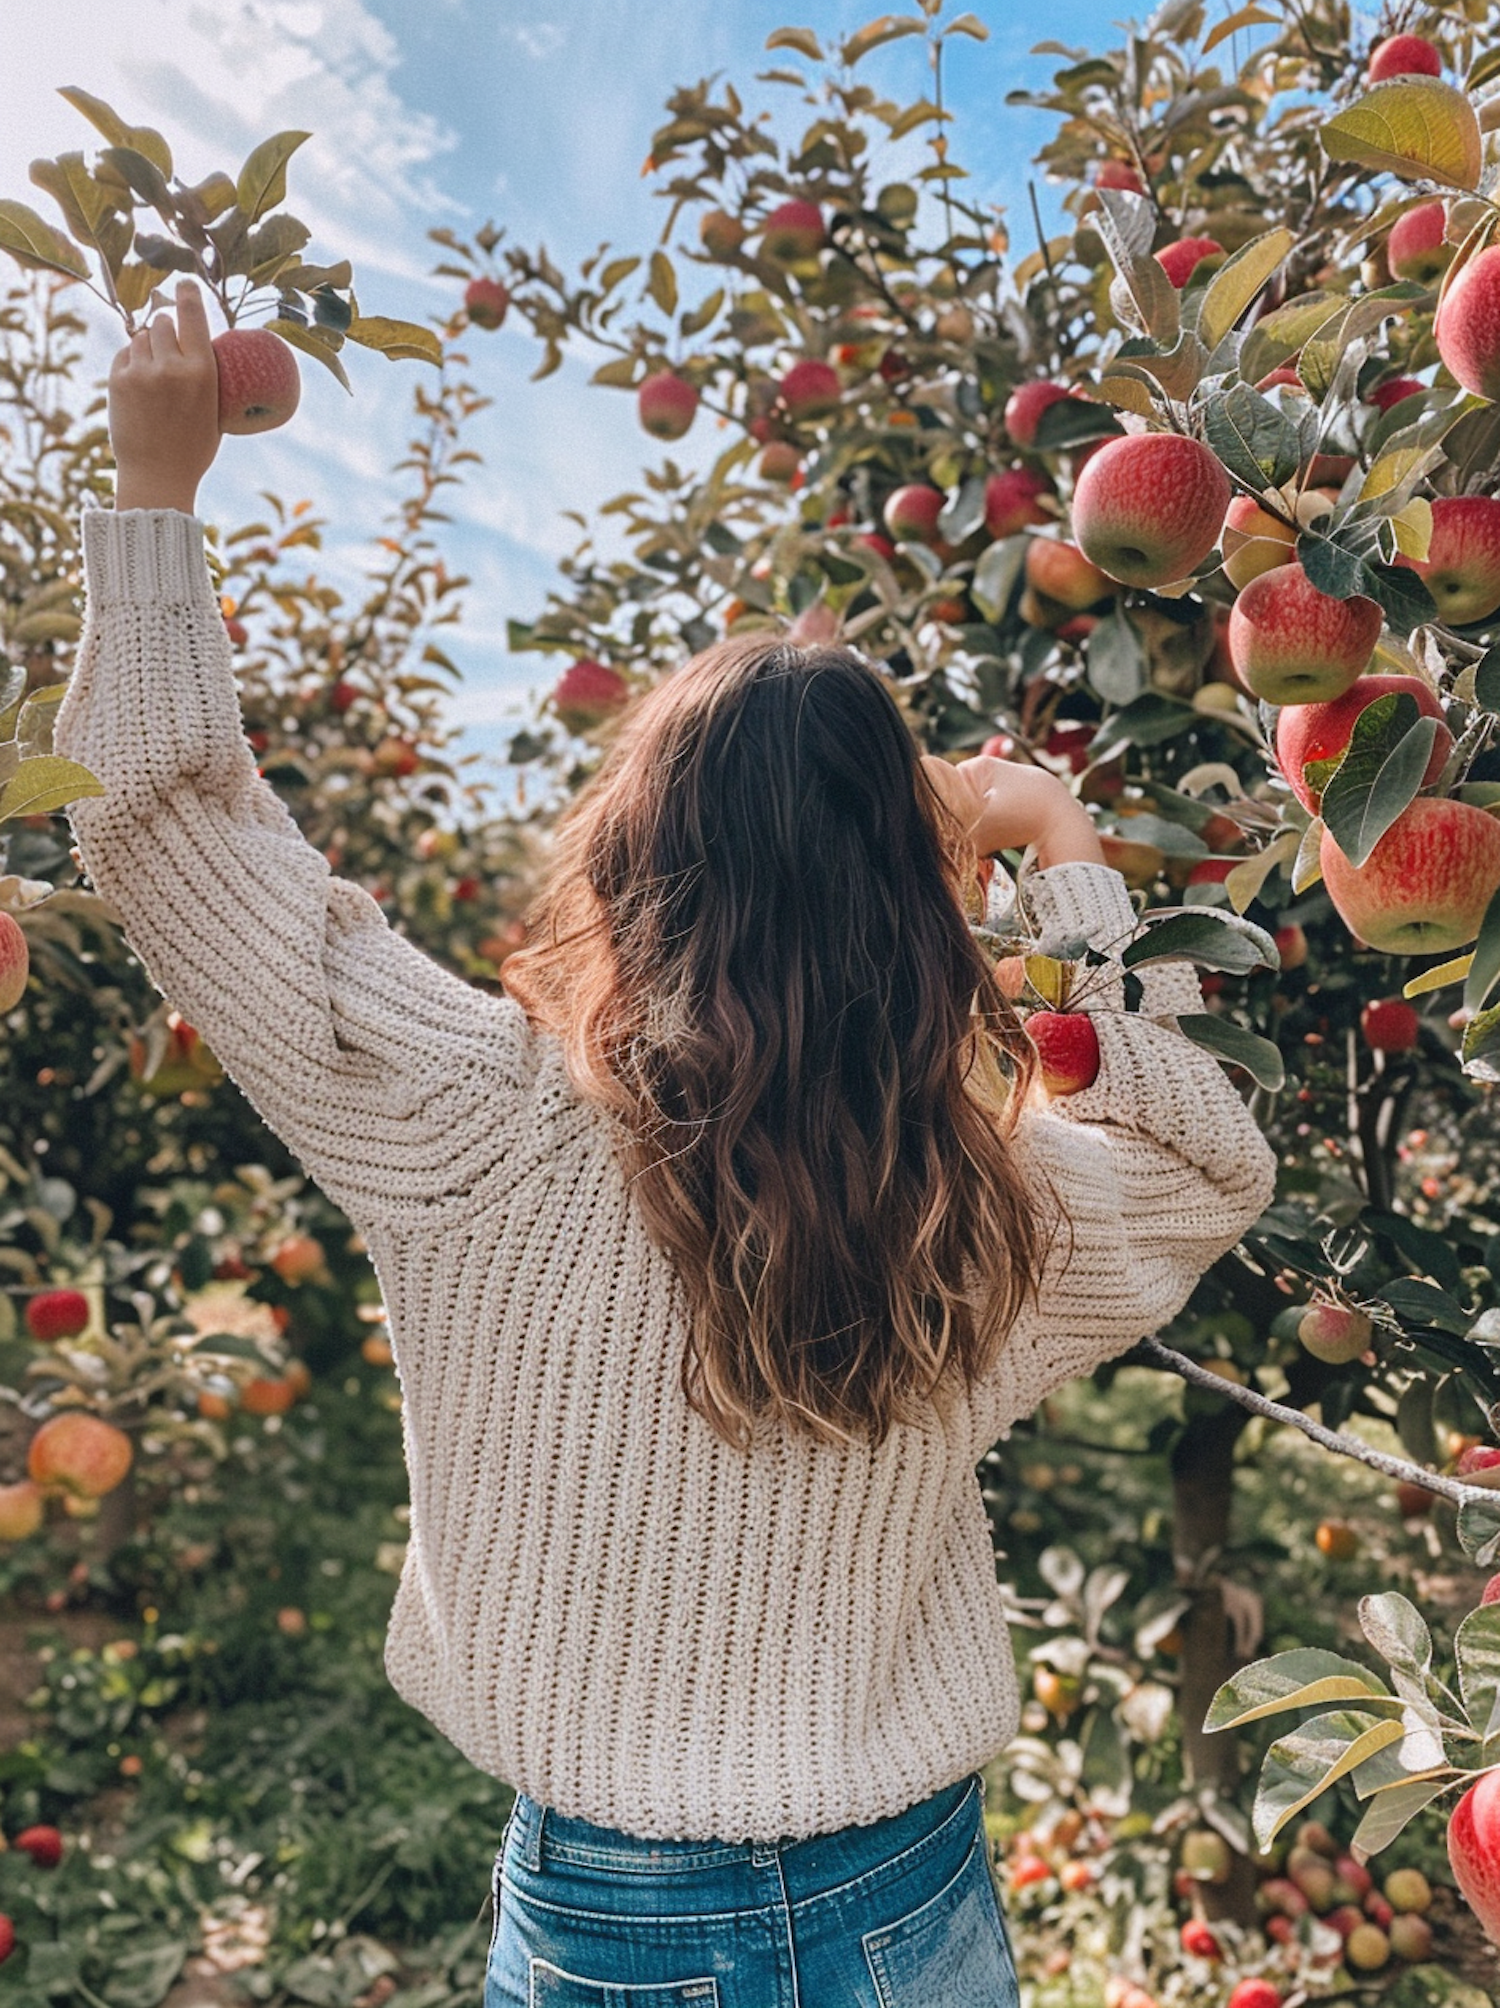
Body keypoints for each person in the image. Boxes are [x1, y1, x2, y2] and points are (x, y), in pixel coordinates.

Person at [55, 281, 1277, 2008]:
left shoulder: (467, 1116)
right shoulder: (968, 1206)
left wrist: (154, 503)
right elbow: (1194, 1159)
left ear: (631, 857)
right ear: (915, 906)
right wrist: (1058, 840)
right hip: (904, 1886)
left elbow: (168, 831)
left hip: (611, 1910)